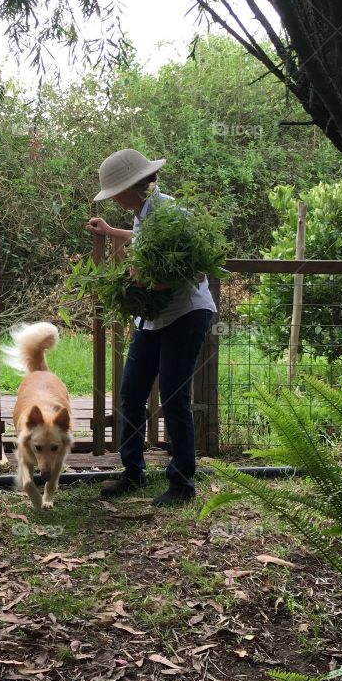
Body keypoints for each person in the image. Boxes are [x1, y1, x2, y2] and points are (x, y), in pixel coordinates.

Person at [87, 147, 215, 507]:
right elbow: (144, 244)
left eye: (115, 192)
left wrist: (150, 284)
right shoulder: (146, 213)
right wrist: (112, 231)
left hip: (186, 313)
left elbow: (199, 269)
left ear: (132, 187)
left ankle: (182, 483)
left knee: (174, 396)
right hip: (153, 318)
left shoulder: (173, 213)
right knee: (131, 392)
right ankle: (133, 472)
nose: (113, 199)